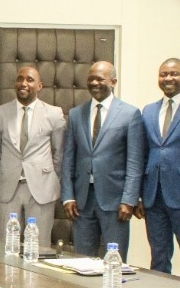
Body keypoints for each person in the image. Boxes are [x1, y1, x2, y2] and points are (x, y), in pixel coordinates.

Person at [60, 61, 144, 261]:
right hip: (81, 201)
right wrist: (68, 196)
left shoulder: (130, 114)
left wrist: (129, 200)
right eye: (90, 79)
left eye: (100, 79)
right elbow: (68, 158)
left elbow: (134, 161)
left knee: (114, 261)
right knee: (82, 261)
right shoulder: (76, 114)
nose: (94, 83)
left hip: (115, 202)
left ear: (113, 82)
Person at [0, 66, 65, 248]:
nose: (23, 83)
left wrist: (47, 175)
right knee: (7, 247)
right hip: (9, 188)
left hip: (41, 189)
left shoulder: (54, 114)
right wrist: (8, 170)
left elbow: (59, 153)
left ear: (40, 86)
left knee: (39, 248)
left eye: (30, 80)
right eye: (20, 79)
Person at [135, 58, 180, 273]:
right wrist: (139, 195)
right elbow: (142, 154)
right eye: (163, 74)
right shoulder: (149, 111)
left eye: (174, 73)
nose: (168, 78)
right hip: (154, 196)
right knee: (159, 256)